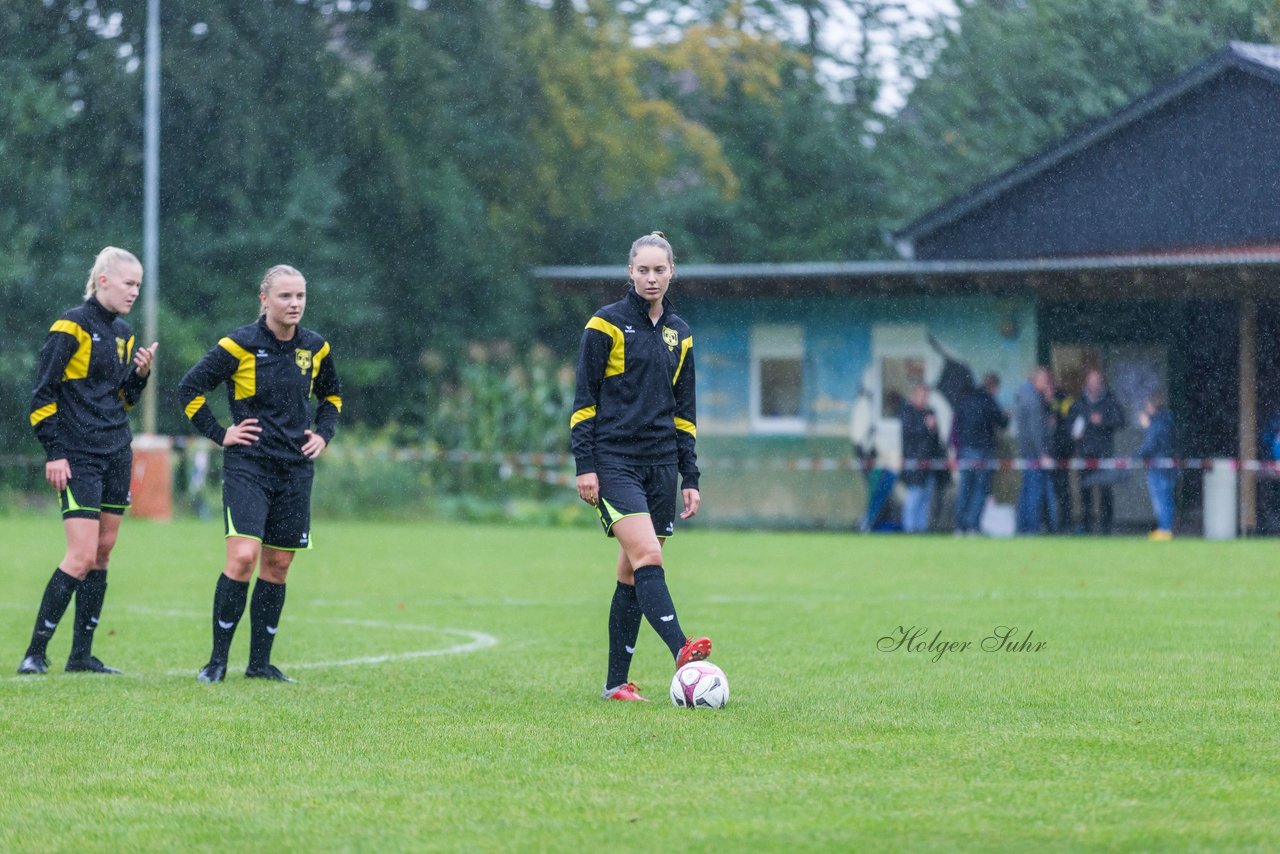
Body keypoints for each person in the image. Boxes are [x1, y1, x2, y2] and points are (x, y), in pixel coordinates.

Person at [177, 264, 342, 683]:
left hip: (295, 471)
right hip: (248, 467)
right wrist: (220, 433)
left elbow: (332, 396)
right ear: (264, 299)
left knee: (278, 566)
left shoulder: (316, 347)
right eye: (285, 296)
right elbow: (189, 389)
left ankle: (259, 665)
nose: (294, 304)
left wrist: (323, 434)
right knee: (243, 557)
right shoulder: (239, 344)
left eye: (300, 296)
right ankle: (216, 662)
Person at [571, 232, 712, 703]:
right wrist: (585, 465)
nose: (652, 278)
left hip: (662, 466)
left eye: (660, 270)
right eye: (643, 270)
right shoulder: (605, 325)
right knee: (650, 555)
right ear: (630, 272)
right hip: (614, 462)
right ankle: (682, 649)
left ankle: (616, 684)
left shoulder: (680, 332)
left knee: (632, 572)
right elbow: (584, 402)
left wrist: (689, 476)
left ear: (672, 273)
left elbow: (685, 412)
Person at [18, 247, 158, 675]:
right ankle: (35, 653)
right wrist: (54, 453)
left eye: (138, 284)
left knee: (102, 553)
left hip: (117, 450)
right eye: (128, 283)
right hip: (78, 454)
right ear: (102, 281)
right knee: (79, 556)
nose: (135, 291)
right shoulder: (71, 326)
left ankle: (81, 656)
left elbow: (122, 400)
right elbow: (42, 393)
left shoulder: (125, 332)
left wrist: (139, 376)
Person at [1069, 369, 1125, 535]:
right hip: (1085, 453)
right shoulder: (1079, 403)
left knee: (1105, 491)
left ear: (1102, 383)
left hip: (1104, 453)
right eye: (1091, 382)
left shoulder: (1110, 401)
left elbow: (1121, 421)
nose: (1095, 385)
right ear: (1087, 383)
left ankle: (1106, 527)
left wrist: (1104, 421)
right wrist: (1074, 434)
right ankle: (1085, 525)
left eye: (1098, 382)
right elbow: (1070, 424)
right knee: (1085, 491)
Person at [952, 372, 1008, 535]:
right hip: (983, 450)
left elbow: (957, 425)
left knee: (964, 489)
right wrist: (1006, 416)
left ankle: (959, 526)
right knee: (980, 490)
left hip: (965, 450)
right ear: (994, 387)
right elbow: (1002, 422)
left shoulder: (965, 399)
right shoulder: (988, 401)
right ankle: (972, 526)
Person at [1014, 366, 1057, 534]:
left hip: (1027, 450)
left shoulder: (1025, 395)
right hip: (1034, 452)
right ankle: (1031, 527)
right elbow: (1036, 429)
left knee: (1027, 489)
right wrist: (1043, 453)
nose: (1047, 384)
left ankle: (1022, 527)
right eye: (1045, 381)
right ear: (1036, 380)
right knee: (1034, 491)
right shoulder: (1033, 399)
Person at [900, 384, 943, 533]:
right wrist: (926, 426)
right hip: (914, 461)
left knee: (926, 497)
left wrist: (934, 428)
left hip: (929, 461)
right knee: (914, 496)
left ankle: (921, 529)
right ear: (914, 395)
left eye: (926, 395)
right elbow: (910, 434)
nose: (925, 398)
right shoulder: (908, 412)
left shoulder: (930, 412)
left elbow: (936, 437)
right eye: (922, 395)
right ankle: (909, 528)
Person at [1137, 392, 1176, 540]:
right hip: (1167, 466)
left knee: (1161, 500)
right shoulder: (1168, 420)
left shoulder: (1157, 423)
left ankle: (1164, 529)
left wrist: (1134, 457)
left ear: (1152, 406)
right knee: (1167, 499)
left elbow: (1151, 445)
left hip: (1159, 467)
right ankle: (1165, 528)